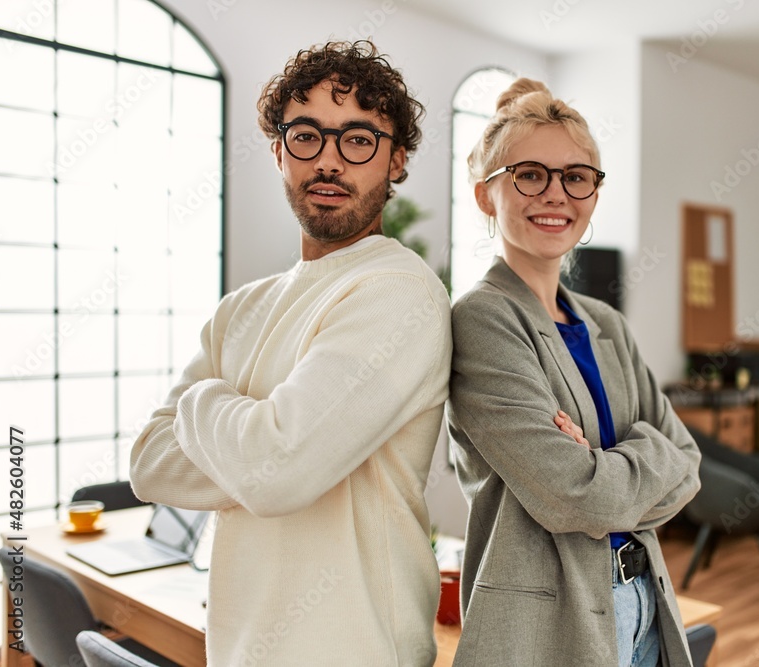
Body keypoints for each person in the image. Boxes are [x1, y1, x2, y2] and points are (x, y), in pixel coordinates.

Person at [129, 41, 451, 666]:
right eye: (307, 136)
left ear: (396, 160)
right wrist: (258, 452)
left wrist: (204, 401)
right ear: (279, 150)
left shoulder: (399, 291)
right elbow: (149, 462)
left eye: (359, 140)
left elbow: (275, 472)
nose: (329, 161)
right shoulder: (239, 309)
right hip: (239, 648)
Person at [446, 78, 701, 667]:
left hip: (645, 600)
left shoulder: (606, 322)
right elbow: (574, 498)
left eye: (576, 176)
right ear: (487, 195)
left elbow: (687, 464)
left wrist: (605, 464)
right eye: (529, 174)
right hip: (547, 621)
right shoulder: (483, 320)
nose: (555, 194)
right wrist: (643, 453)